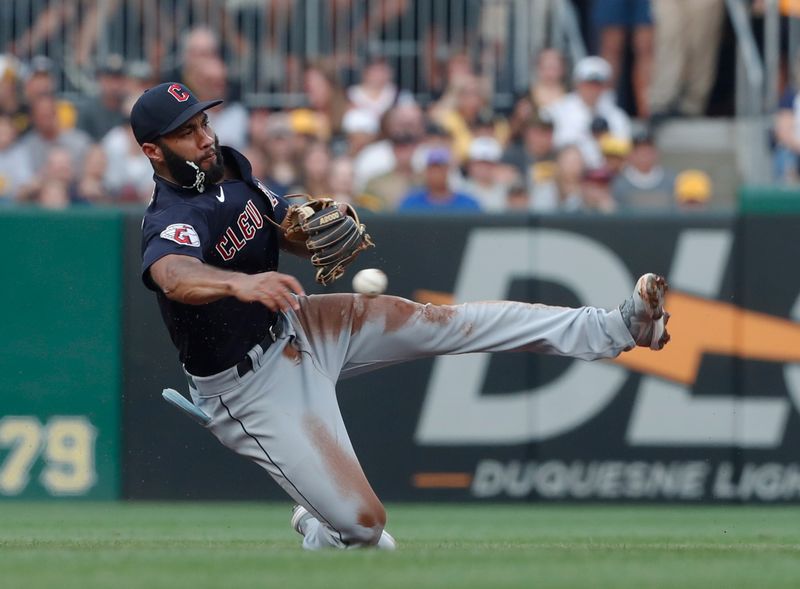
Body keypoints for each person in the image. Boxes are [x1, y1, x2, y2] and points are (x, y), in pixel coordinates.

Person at [133, 82, 671, 550]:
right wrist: (242, 283)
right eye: (186, 132)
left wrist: (310, 224)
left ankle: (616, 327)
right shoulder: (171, 215)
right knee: (367, 532)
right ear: (153, 150)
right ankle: (317, 521)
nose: (204, 137)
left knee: (454, 323)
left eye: (203, 122)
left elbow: (282, 226)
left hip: (302, 325)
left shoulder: (227, 165)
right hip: (249, 387)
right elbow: (174, 276)